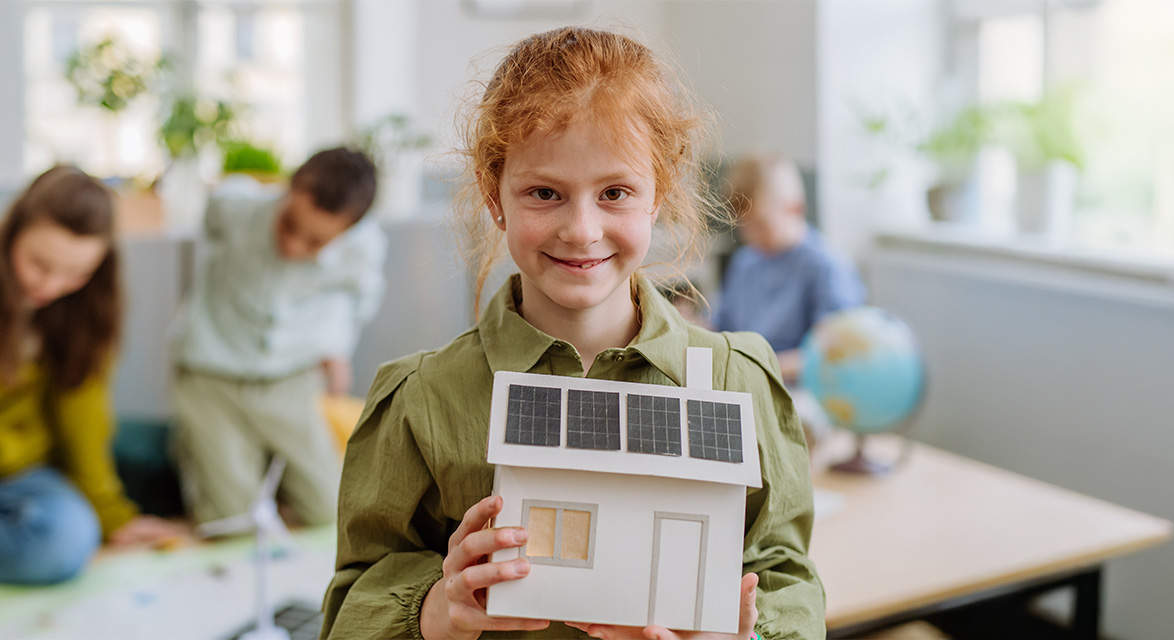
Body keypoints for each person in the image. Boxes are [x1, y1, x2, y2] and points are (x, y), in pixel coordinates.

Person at [321, 28, 825, 640]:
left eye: (615, 192)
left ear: (658, 192)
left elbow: (782, 577)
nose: (581, 230)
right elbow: (353, 607)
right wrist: (438, 610)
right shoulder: (421, 399)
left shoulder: (735, 381)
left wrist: (744, 635)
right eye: (544, 193)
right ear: (493, 193)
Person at [171, 147, 385, 529]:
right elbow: (219, 200)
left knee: (329, 511)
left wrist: (334, 348)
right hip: (211, 373)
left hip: (291, 378)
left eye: (315, 242)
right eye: (288, 225)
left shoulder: (363, 248)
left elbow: (356, 300)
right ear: (287, 191)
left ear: (348, 232)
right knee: (230, 520)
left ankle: (277, 505)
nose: (293, 246)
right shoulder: (235, 209)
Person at [0, 166, 186, 585]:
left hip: (24, 476)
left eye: (75, 274)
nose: (51, 285)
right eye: (39, 264)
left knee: (66, 539)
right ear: (13, 233)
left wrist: (111, 516)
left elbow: (82, 418)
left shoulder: (82, 312)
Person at [712, 154, 865, 387]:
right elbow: (721, 327)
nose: (750, 236)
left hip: (801, 390)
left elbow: (833, 352)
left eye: (761, 224)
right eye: (743, 226)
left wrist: (757, 368)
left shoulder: (826, 266)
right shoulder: (746, 262)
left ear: (795, 208)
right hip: (746, 380)